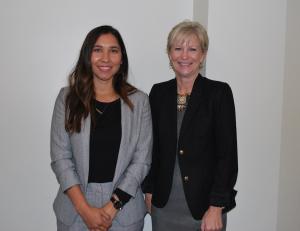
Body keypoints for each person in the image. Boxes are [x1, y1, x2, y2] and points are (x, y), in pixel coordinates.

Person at [50, 25, 152, 231]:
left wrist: (112, 206)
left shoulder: (140, 101)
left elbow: (142, 160)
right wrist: (85, 210)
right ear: (88, 56)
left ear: (121, 58)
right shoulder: (67, 98)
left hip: (124, 210)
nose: (106, 58)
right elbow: (61, 157)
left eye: (113, 51)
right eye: (98, 50)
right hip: (75, 207)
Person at [142, 20, 238, 231]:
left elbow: (227, 156)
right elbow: (152, 148)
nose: (184, 56)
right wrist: (148, 190)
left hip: (205, 209)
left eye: (192, 49)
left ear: (202, 55)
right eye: (178, 49)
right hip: (164, 206)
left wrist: (216, 206)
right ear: (169, 54)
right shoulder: (158, 93)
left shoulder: (219, 94)